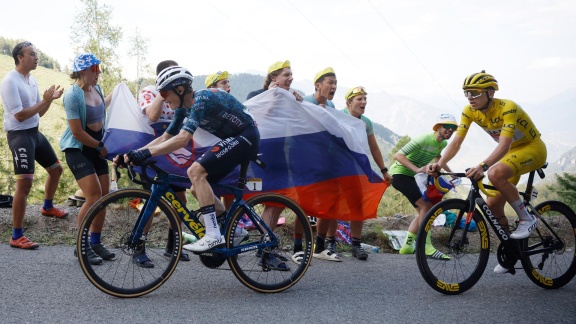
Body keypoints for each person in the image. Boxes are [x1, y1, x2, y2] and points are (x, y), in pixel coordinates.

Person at [123, 66, 260, 254]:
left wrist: (146, 154)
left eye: (164, 92)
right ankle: (235, 229)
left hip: (247, 136)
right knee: (196, 186)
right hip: (235, 139)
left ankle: (212, 235)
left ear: (180, 90)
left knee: (195, 172)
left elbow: (182, 140)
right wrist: (133, 154)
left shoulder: (201, 100)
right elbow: (165, 137)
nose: (162, 98)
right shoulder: (183, 109)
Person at [427, 71, 547, 273]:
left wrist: (482, 166)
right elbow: (456, 141)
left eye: (474, 93)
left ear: (490, 93)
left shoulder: (508, 107)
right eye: (467, 93)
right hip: (512, 153)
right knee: (492, 204)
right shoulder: (469, 110)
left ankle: (527, 218)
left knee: (494, 173)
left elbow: (505, 144)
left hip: (532, 148)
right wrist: (440, 163)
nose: (470, 98)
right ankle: (512, 251)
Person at [0, 41, 67, 249]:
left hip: (34, 133)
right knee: (25, 184)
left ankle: (47, 207)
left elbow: (39, 112)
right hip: (19, 135)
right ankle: (16, 236)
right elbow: (19, 116)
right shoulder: (10, 81)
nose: (36, 57)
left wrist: (49, 100)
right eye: (32, 54)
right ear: (20, 57)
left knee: (56, 170)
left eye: (36, 54)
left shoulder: (32, 80)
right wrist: (45, 100)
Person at [135, 59, 191, 265]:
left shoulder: (180, 95)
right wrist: (163, 92)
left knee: (180, 199)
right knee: (151, 199)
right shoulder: (148, 91)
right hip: (153, 146)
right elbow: (152, 114)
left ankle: (172, 245)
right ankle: (138, 246)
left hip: (175, 147)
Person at [60, 53, 113, 264]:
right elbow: (77, 133)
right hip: (78, 148)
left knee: (104, 196)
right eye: (94, 69)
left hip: (97, 147)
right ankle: (81, 247)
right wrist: (100, 146)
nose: (98, 73)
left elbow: (100, 110)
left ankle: (96, 242)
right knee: (93, 196)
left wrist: (117, 94)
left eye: (99, 68)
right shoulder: (72, 96)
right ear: (82, 71)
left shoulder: (96, 89)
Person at [389, 113, 457, 259]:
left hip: (411, 177)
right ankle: (426, 246)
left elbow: (440, 160)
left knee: (422, 210)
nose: (451, 130)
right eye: (448, 126)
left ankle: (407, 246)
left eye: (454, 128)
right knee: (427, 207)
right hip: (399, 174)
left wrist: (452, 174)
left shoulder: (442, 144)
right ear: (438, 127)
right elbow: (398, 156)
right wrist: (417, 169)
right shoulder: (424, 139)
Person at [340, 86, 392, 260]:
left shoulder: (366, 122)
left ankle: (356, 244)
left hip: (358, 170)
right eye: (359, 99)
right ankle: (328, 242)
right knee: (334, 204)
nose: (363, 102)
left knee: (357, 206)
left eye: (365, 99)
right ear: (348, 102)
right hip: (339, 168)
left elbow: (374, 148)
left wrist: (384, 170)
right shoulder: (338, 116)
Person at [303, 67, 341, 261]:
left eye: (335, 83)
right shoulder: (305, 101)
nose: (334, 87)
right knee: (305, 204)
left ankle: (319, 245)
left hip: (325, 160)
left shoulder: (332, 106)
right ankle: (300, 246)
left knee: (328, 201)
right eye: (330, 83)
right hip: (306, 160)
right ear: (318, 85)